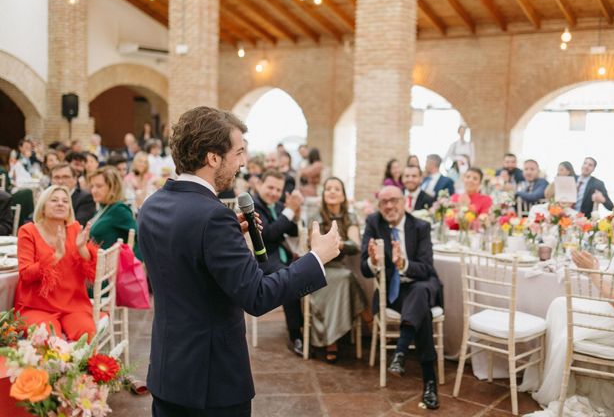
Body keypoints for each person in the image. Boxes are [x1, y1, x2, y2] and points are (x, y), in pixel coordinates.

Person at [137, 106, 341, 417]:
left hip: (168, 371)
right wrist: (317, 257)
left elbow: (186, 261)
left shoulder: (152, 206)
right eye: (239, 152)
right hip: (212, 381)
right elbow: (257, 296)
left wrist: (226, 236)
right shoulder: (213, 217)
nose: (243, 162)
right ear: (213, 157)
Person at [520, 198, 614, 416]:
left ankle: (558, 388)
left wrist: (592, 271)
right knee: (559, 306)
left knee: (565, 321)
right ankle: (556, 381)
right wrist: (594, 268)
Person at [361, 185, 443, 410]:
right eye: (384, 201)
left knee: (420, 291)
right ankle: (429, 383)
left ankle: (400, 352)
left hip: (420, 283)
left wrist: (403, 264)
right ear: (379, 205)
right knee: (421, 308)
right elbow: (364, 268)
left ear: (405, 202)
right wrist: (374, 262)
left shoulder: (420, 226)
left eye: (394, 200)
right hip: (394, 293)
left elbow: (426, 268)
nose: (389, 206)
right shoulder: (373, 223)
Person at [14, 185, 98, 340]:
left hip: (74, 305)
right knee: (47, 338)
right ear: (43, 207)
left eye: (65, 201)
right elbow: (25, 274)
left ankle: (79, 365)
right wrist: (56, 256)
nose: (60, 203)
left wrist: (81, 249)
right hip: (37, 306)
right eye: (54, 200)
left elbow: (92, 269)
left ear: (69, 209)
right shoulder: (28, 231)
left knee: (87, 335)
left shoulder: (75, 229)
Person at [307, 177, 368, 363]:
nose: (332, 192)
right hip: (319, 268)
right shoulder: (316, 216)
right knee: (347, 277)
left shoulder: (350, 217)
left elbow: (356, 244)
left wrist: (339, 244)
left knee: (346, 277)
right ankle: (367, 316)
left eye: (337, 189)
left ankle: (332, 342)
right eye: (328, 189)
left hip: (339, 268)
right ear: (324, 195)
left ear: (343, 196)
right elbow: (314, 247)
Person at [253, 169, 306, 355]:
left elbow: (290, 231)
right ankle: (296, 336)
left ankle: (310, 329)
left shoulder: (275, 206)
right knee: (289, 279)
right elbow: (269, 234)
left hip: (281, 255)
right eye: (270, 187)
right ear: (259, 184)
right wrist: (289, 210)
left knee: (309, 271)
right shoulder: (254, 206)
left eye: (278, 189)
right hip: (262, 259)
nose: (274, 193)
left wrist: (296, 214)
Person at [88, 166, 140, 260]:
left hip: (113, 269)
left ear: (113, 187)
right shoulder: (102, 208)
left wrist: (133, 265)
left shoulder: (119, 209)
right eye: (92, 186)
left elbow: (139, 238)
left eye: (99, 186)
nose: (94, 190)